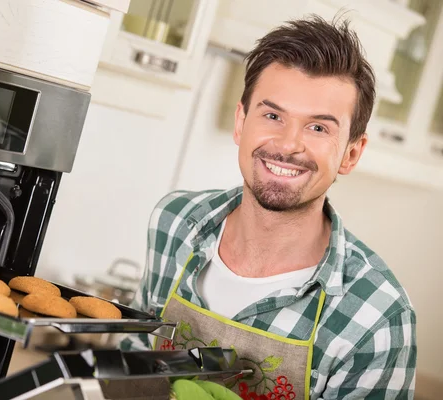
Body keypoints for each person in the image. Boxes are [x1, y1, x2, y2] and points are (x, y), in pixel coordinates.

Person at [121, 15, 417, 400]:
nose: (288, 144)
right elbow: (133, 358)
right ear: (242, 122)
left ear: (351, 153)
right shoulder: (174, 222)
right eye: (273, 115)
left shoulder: (378, 315)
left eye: (318, 128)